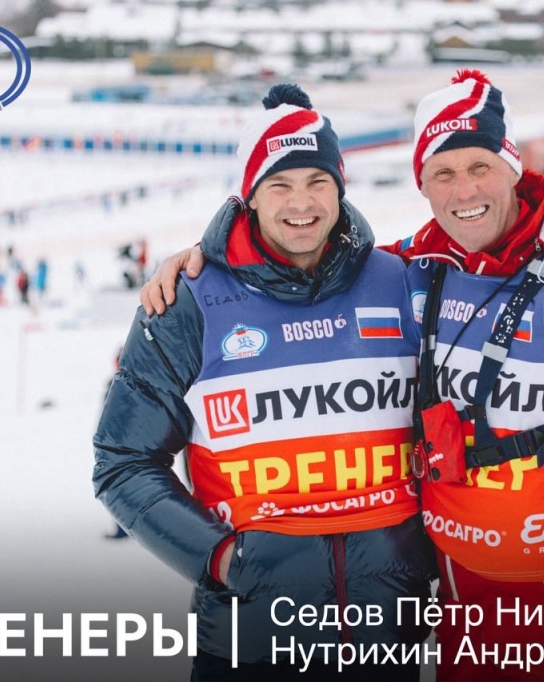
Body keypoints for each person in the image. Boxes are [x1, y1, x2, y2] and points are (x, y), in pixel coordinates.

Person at [143, 70, 544, 682]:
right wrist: (209, 261)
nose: (463, 190)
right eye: (442, 174)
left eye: (479, 166)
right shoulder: (419, 269)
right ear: (421, 184)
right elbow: (312, 260)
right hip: (450, 601)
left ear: (513, 166)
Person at [94, 83, 436, 681]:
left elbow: (489, 268)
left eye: (318, 181)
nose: (301, 202)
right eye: (279, 184)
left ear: (340, 188)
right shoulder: (187, 301)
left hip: (386, 639)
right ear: (249, 195)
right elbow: (122, 462)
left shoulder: (400, 281)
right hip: (248, 642)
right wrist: (220, 558)